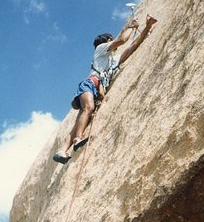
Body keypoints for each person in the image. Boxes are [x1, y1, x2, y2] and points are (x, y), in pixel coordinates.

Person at [53, 14, 157, 165]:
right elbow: (122, 40)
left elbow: (131, 47)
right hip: (90, 84)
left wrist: (147, 27)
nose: (114, 44)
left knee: (81, 119)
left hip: (94, 89)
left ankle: (62, 150)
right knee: (88, 108)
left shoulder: (113, 60)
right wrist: (131, 26)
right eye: (111, 41)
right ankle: (77, 139)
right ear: (107, 42)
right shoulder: (100, 49)